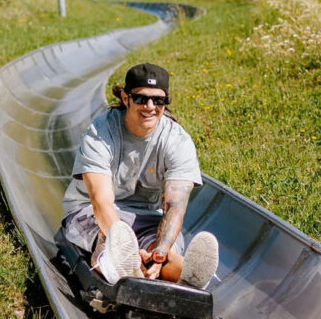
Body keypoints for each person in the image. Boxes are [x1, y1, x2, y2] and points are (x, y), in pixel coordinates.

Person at [61, 62, 219, 288]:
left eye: (158, 100)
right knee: (108, 244)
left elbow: (175, 206)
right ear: (125, 98)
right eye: (141, 99)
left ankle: (187, 276)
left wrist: (159, 253)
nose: (150, 106)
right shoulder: (101, 132)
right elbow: (101, 202)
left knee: (162, 251)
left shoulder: (177, 140)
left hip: (147, 216)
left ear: (166, 102)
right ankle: (122, 263)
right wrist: (124, 245)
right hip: (90, 213)